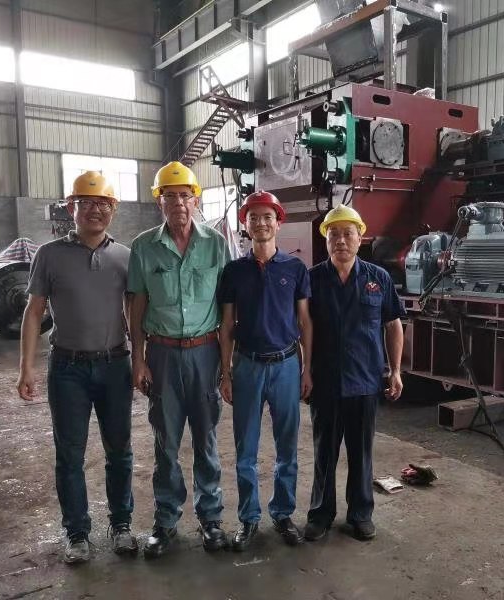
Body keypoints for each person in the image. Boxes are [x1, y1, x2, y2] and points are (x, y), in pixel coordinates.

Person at [17, 171, 137, 564]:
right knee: (70, 455)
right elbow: (34, 312)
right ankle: (77, 533)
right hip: (68, 369)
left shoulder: (125, 257)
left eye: (103, 203)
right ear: (72, 208)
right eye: (86, 203)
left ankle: (121, 525)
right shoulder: (49, 255)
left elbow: (134, 313)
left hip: (115, 365)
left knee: (120, 450)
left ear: (113, 209)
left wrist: (140, 360)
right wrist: (26, 368)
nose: (94, 210)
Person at [127, 161, 230, 558]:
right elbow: (136, 306)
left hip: (205, 353)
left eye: (185, 196)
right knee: (166, 443)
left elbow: (227, 308)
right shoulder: (143, 247)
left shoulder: (216, 244)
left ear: (195, 200)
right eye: (169, 196)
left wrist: (226, 364)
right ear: (160, 202)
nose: (178, 203)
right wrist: (139, 359)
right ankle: (166, 521)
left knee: (206, 439)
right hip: (163, 355)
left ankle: (211, 519)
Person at [217, 191, 313, 551]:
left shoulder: (295, 269)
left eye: (267, 217)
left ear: (278, 222)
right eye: (253, 217)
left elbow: (305, 322)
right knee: (246, 449)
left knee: (287, 446)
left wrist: (306, 369)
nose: (260, 223)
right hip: (247, 366)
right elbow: (226, 325)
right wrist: (226, 372)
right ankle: (249, 518)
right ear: (246, 224)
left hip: (286, 365)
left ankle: (283, 513)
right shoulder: (234, 271)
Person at [304, 204, 405, 542]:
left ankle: (361, 514)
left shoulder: (378, 279)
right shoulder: (313, 279)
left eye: (348, 234)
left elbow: (393, 325)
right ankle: (321, 514)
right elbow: (302, 329)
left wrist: (395, 371)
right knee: (325, 453)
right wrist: (304, 371)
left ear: (360, 238)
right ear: (326, 240)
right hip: (325, 381)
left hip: (365, 382)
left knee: (361, 453)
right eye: (334, 234)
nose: (341, 241)